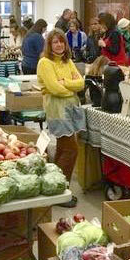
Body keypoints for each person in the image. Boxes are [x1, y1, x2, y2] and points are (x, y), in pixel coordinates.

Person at [37, 29, 85, 208]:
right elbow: (54, 89)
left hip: (71, 108)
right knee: (71, 149)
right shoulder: (45, 62)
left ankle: (54, 188)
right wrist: (68, 86)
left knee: (63, 148)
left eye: (61, 42)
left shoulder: (68, 60)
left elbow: (81, 83)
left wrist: (65, 83)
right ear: (49, 45)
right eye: (55, 42)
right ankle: (61, 190)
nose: (59, 45)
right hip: (57, 110)